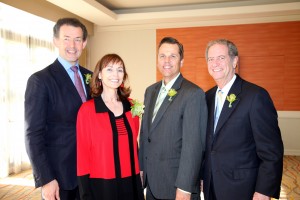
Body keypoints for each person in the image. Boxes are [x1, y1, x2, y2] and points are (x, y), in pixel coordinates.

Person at [202, 39, 284, 200]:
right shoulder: (207, 97)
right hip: (211, 186)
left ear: (234, 61)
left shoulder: (256, 96)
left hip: (243, 189)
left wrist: (264, 192)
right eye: (210, 59)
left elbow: (271, 152)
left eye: (221, 57)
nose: (215, 63)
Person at [25, 18, 92, 200]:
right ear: (55, 41)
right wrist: (46, 179)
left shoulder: (92, 78)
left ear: (84, 43)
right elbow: (33, 134)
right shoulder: (40, 80)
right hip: (59, 176)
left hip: (91, 174)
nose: (72, 45)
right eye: (66, 38)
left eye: (78, 39)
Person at [139, 37, 207, 200]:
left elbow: (194, 146)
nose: (166, 61)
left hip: (177, 187)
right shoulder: (150, 91)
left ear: (181, 61)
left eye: (173, 56)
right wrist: (142, 169)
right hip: (152, 184)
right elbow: (145, 135)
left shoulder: (193, 93)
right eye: (162, 56)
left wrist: (184, 187)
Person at [76, 54, 144, 200]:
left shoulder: (132, 107)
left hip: (131, 182)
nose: (115, 74)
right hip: (102, 185)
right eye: (109, 69)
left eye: (120, 70)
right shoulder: (87, 110)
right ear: (99, 75)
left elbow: (133, 145)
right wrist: (85, 193)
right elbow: (83, 155)